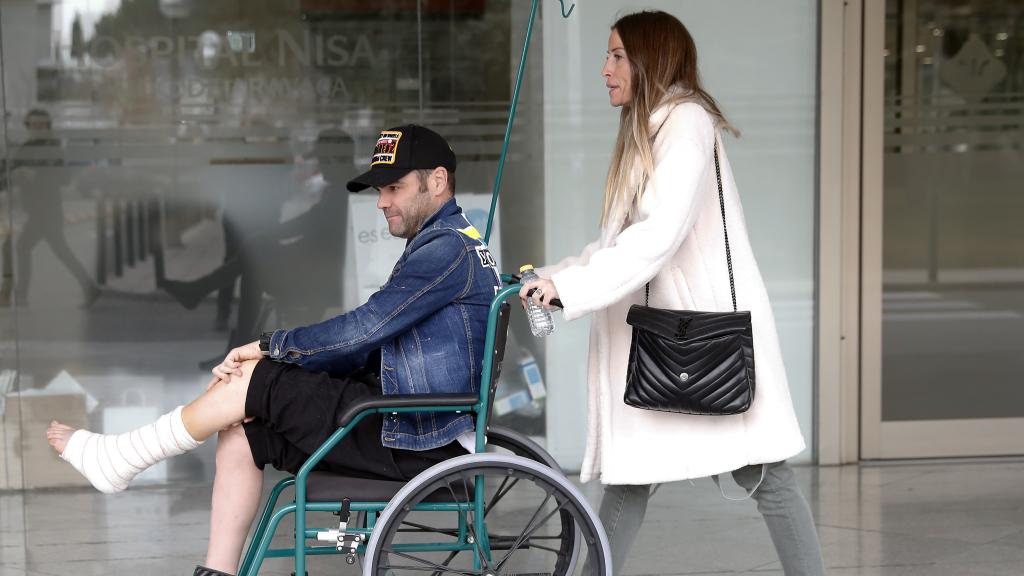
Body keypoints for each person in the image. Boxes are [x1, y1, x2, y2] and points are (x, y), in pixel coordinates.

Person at [46, 124, 501, 576]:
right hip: (405, 419)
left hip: (416, 434)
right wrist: (281, 358)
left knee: (255, 380)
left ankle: (126, 456)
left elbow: (364, 329)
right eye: (382, 189)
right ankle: (216, 570)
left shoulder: (446, 251)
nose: (382, 202)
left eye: (394, 188)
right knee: (243, 431)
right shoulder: (453, 244)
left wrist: (270, 347)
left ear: (437, 181)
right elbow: (369, 342)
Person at [519, 11, 825, 575]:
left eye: (616, 56)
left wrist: (571, 287)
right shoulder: (650, 128)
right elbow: (621, 239)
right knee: (633, 480)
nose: (604, 69)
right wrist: (559, 277)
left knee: (765, 477)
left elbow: (657, 237)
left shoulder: (683, 124)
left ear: (650, 59)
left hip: (694, 343)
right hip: (676, 342)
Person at [161, 129, 353, 365]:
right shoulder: (341, 188)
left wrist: (267, 239)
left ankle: (205, 301)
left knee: (254, 259)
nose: (318, 168)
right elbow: (309, 227)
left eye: (321, 160)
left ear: (333, 159)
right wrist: (267, 238)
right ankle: (229, 338)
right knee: (255, 257)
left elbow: (312, 232)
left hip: (319, 282)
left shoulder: (345, 192)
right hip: (314, 272)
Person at [0, 109, 100, 307]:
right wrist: (14, 175)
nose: (38, 129)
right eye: (34, 125)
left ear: (48, 127)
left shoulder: (54, 149)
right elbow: (8, 174)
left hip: (47, 209)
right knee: (55, 250)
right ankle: (89, 287)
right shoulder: (25, 148)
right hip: (39, 210)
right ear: (27, 127)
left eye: (42, 125)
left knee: (23, 248)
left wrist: (35, 176)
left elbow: (64, 178)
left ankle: (20, 296)